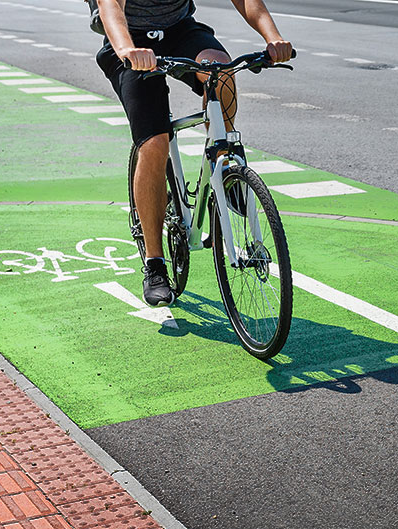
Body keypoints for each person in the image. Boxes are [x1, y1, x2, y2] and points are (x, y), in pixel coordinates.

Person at [95, 0, 292, 307]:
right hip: (129, 41)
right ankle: (155, 264)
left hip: (179, 31)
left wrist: (273, 37)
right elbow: (111, 8)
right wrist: (126, 49)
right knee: (155, 141)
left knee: (222, 71)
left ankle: (224, 163)